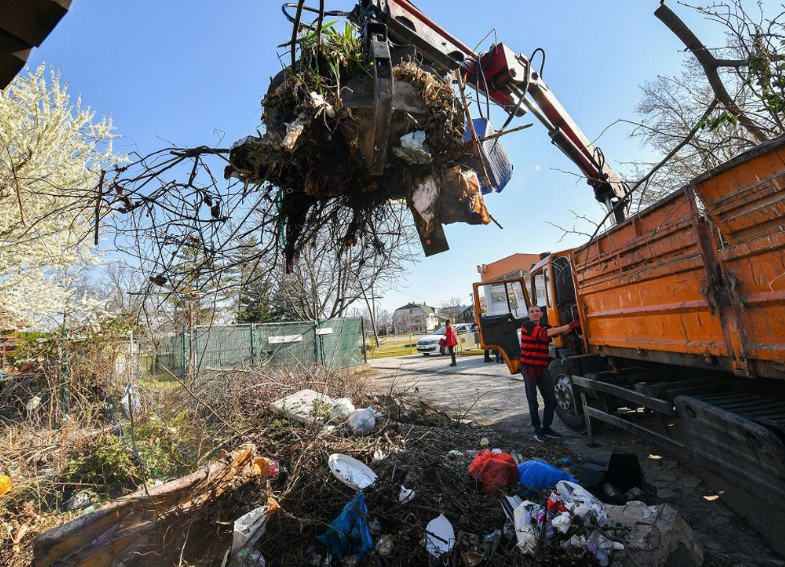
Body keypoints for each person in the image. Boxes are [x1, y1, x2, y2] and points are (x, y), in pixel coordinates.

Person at [520, 305, 580, 443]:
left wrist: (573, 325)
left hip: (541, 367)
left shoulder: (546, 326)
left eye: (537, 311)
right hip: (529, 368)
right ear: (528, 315)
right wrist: (570, 325)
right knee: (533, 401)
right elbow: (546, 333)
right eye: (531, 312)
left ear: (541, 314)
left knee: (551, 399)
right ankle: (537, 430)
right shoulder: (527, 325)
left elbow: (557, 333)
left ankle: (546, 428)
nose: (535, 313)